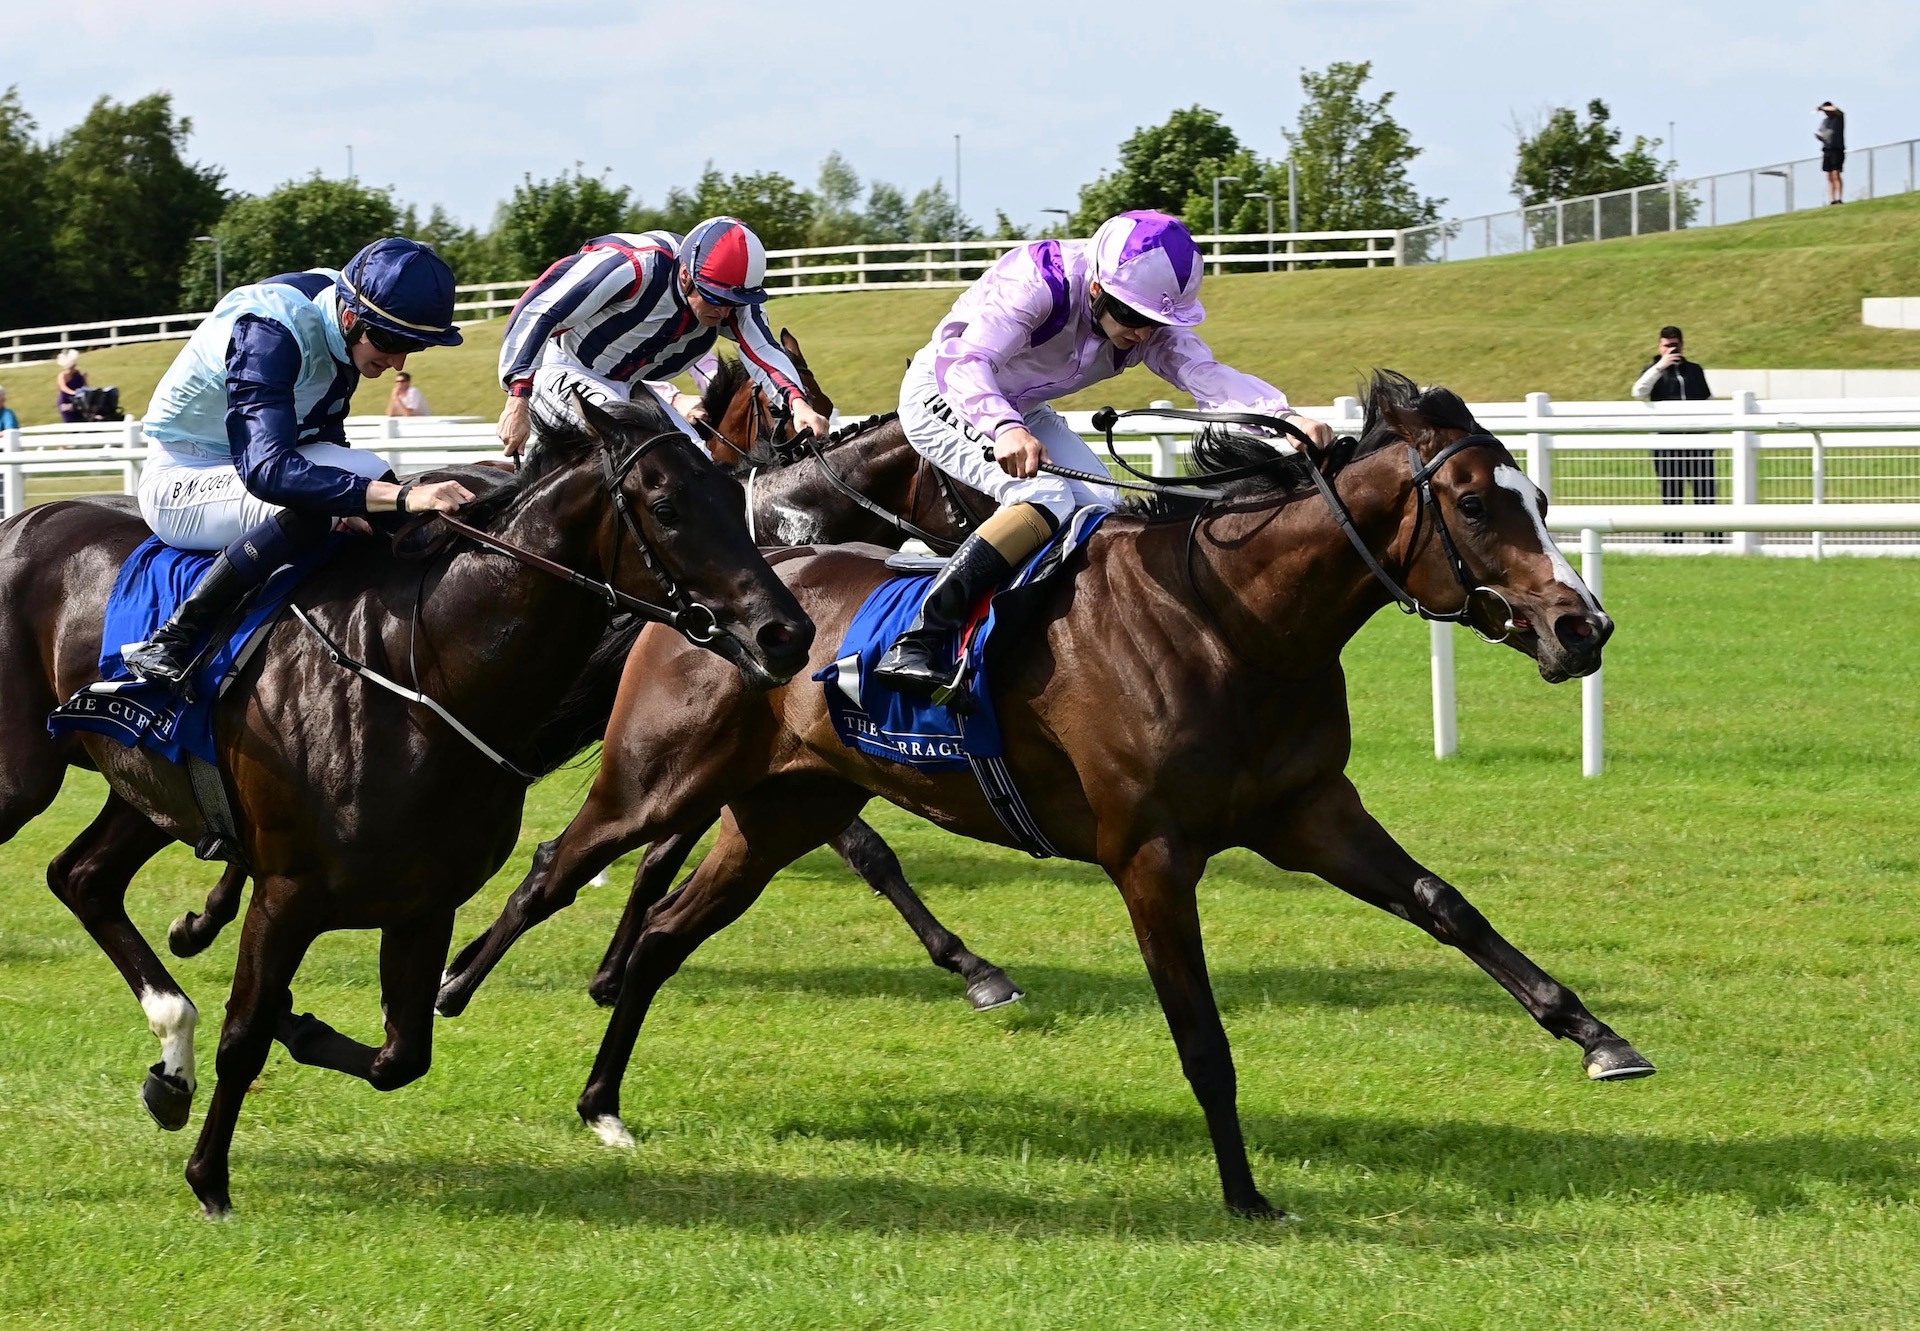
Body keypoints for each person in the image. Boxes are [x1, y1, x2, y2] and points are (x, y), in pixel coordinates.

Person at [872, 209, 1332, 696]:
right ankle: (921, 637)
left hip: (1022, 407)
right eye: (1134, 317)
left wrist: (1283, 419)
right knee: (1047, 497)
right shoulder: (1037, 282)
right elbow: (965, 360)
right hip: (944, 392)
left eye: (1158, 322)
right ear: (1096, 290)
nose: (1143, 334)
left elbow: (1205, 374)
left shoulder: (1144, 321)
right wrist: (1003, 426)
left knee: (1102, 511)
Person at [122, 237, 474, 686]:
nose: (397, 360)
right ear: (350, 317)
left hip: (248, 465)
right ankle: (175, 634)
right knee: (329, 507)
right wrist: (399, 496)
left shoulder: (344, 307)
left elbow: (325, 432)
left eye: (413, 347)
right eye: (390, 342)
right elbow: (267, 470)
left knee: (372, 472)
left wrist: (370, 501)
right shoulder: (269, 331)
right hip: (184, 477)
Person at [494, 217, 830, 460]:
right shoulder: (632, 266)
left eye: (736, 303)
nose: (726, 312)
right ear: (685, 275)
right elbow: (537, 310)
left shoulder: (735, 300)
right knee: (648, 454)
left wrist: (798, 404)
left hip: (629, 384)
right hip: (563, 367)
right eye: (714, 299)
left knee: (700, 461)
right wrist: (517, 398)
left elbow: (764, 350)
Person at [1631, 324, 1719, 542]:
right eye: (1667, 345)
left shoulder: (1694, 370)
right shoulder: (1653, 370)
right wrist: (1661, 366)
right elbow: (1639, 392)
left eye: (1675, 345)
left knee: (1706, 493)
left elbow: (1707, 400)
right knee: (1672, 493)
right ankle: (1672, 541)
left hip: (1697, 441)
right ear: (1660, 346)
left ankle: (1715, 540)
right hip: (1667, 442)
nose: (1671, 349)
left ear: (1682, 344)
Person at [1817, 102, 1846, 204]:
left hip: (1837, 149)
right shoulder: (1825, 121)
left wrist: (1824, 107)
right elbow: (1822, 133)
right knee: (1829, 176)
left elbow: (1838, 111)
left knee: (1836, 174)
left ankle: (1839, 197)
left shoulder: (1839, 118)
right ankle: (1832, 199)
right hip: (1827, 149)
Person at [55, 350, 86, 423]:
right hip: (66, 402)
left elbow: (85, 385)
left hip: (80, 402)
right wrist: (74, 392)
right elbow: (63, 388)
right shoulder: (62, 375)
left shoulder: (79, 374)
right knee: (71, 422)